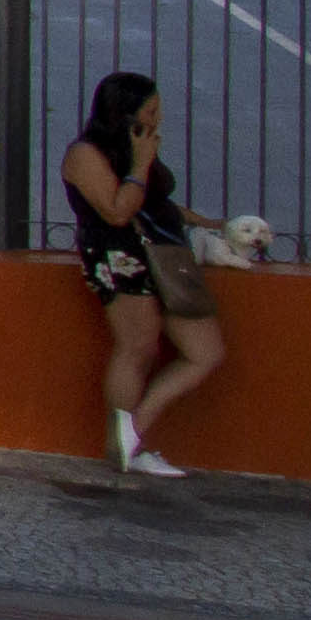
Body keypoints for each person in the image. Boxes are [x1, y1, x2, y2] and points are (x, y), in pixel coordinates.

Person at [63, 71, 225, 478]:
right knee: (139, 348)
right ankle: (124, 446)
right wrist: (140, 164)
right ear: (123, 112)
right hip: (119, 256)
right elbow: (117, 211)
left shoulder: (137, 144)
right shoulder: (85, 154)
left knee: (205, 352)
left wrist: (210, 223)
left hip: (165, 256)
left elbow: (155, 203)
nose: (159, 117)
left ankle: (133, 429)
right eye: (151, 110)